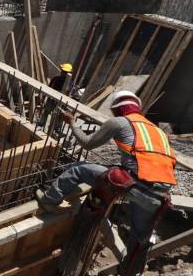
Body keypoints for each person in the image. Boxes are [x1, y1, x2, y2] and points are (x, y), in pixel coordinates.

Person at [36, 90, 175, 274]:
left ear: (117, 109)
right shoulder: (158, 131)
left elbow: (87, 143)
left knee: (79, 168)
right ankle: (130, 271)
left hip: (133, 185)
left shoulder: (119, 122)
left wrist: (71, 122)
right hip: (160, 196)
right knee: (140, 238)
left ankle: (48, 201)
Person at [39, 63, 74, 128]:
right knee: (47, 111)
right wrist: (44, 97)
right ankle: (42, 123)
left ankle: (55, 127)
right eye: (63, 71)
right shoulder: (56, 79)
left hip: (61, 101)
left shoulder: (69, 83)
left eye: (65, 72)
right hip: (52, 99)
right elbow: (48, 89)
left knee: (59, 115)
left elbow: (68, 94)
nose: (63, 73)